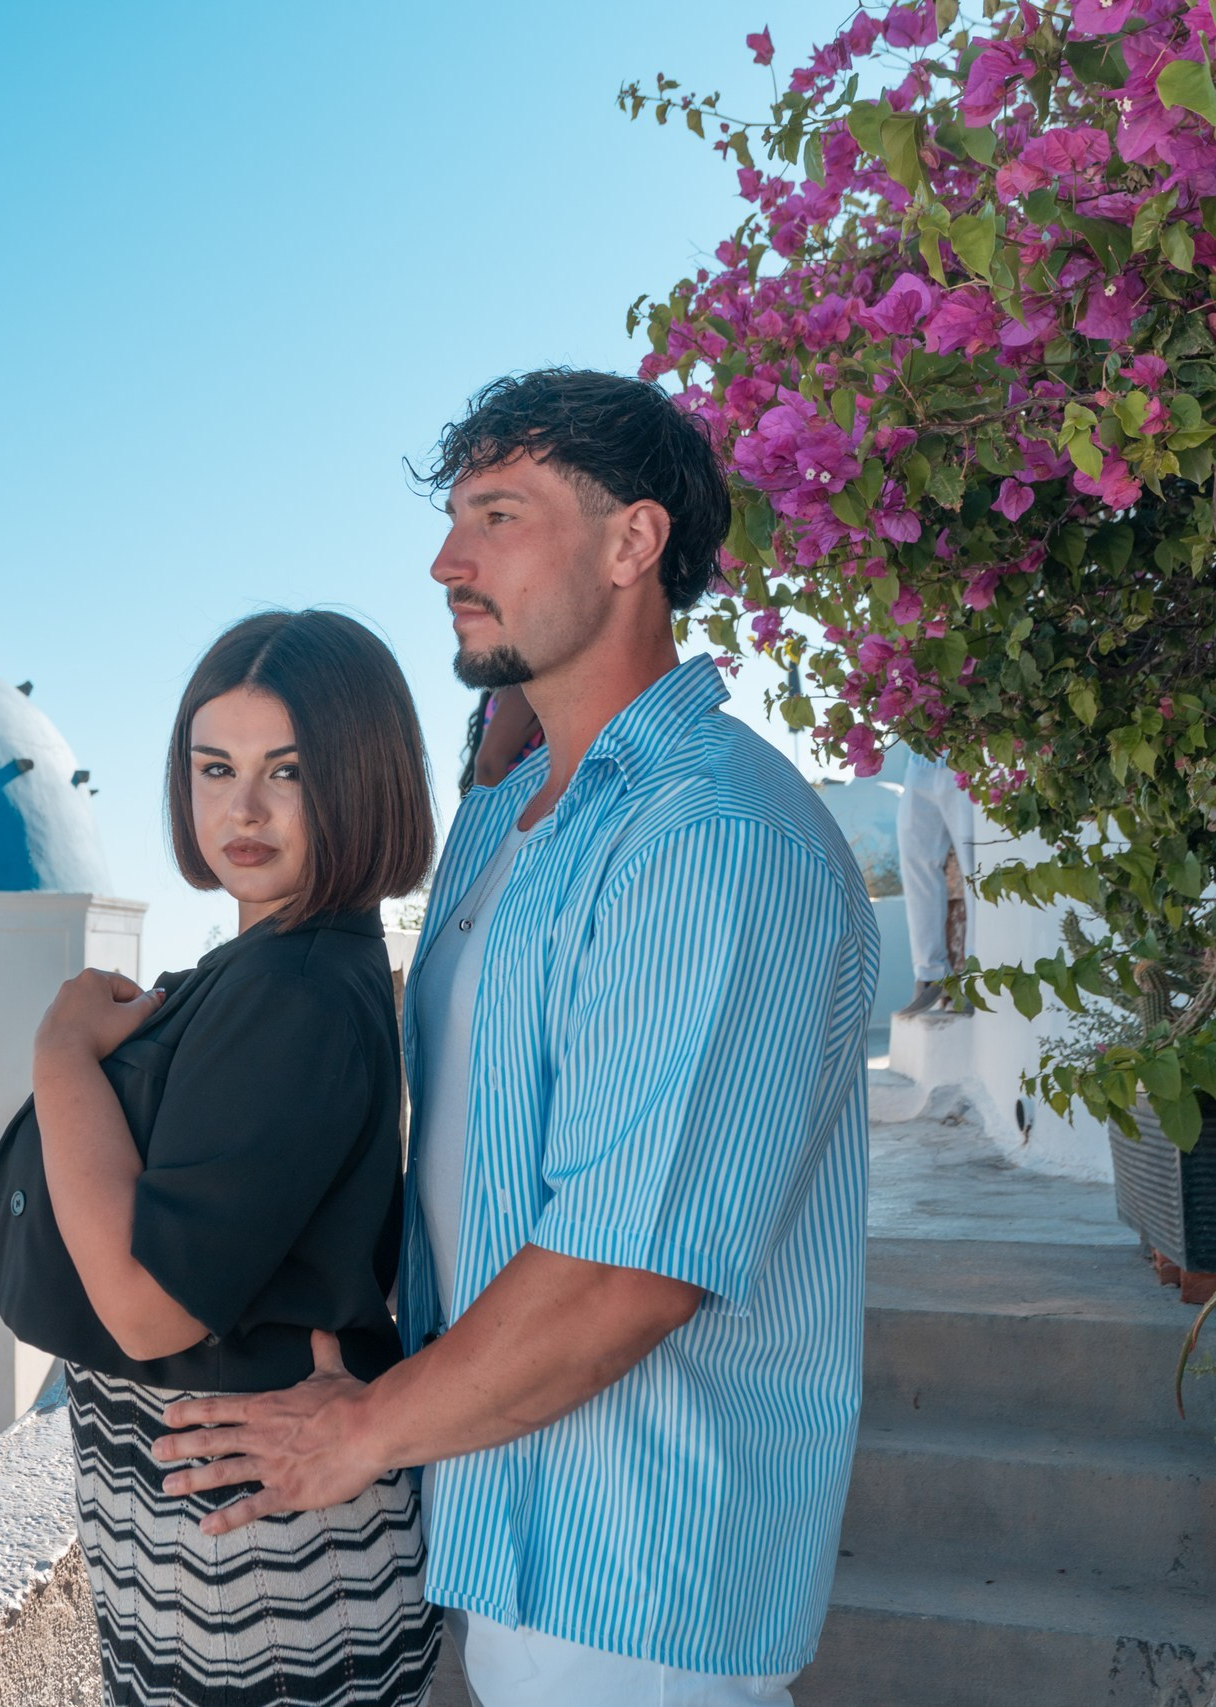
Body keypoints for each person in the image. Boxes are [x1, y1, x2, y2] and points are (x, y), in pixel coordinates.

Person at [152, 369, 880, 1707]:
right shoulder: (527, 819)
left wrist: (360, 1431)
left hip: (641, 1565)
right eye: (451, 516)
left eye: (497, 514)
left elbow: (628, 1269)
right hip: (521, 1522)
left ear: (632, 541)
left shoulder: (704, 840)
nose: (444, 557)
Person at [0, 609, 442, 1707]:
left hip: (246, 1551)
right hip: (200, 1510)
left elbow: (148, 1311)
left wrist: (61, 1053)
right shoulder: (263, 966)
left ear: (363, 779)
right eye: (213, 766)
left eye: (290, 771)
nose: (243, 808)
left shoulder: (294, 992)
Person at [890, 743, 977, 1015]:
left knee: (977, 870)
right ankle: (930, 974)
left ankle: (974, 979)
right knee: (915, 863)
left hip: (968, 757)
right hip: (921, 759)